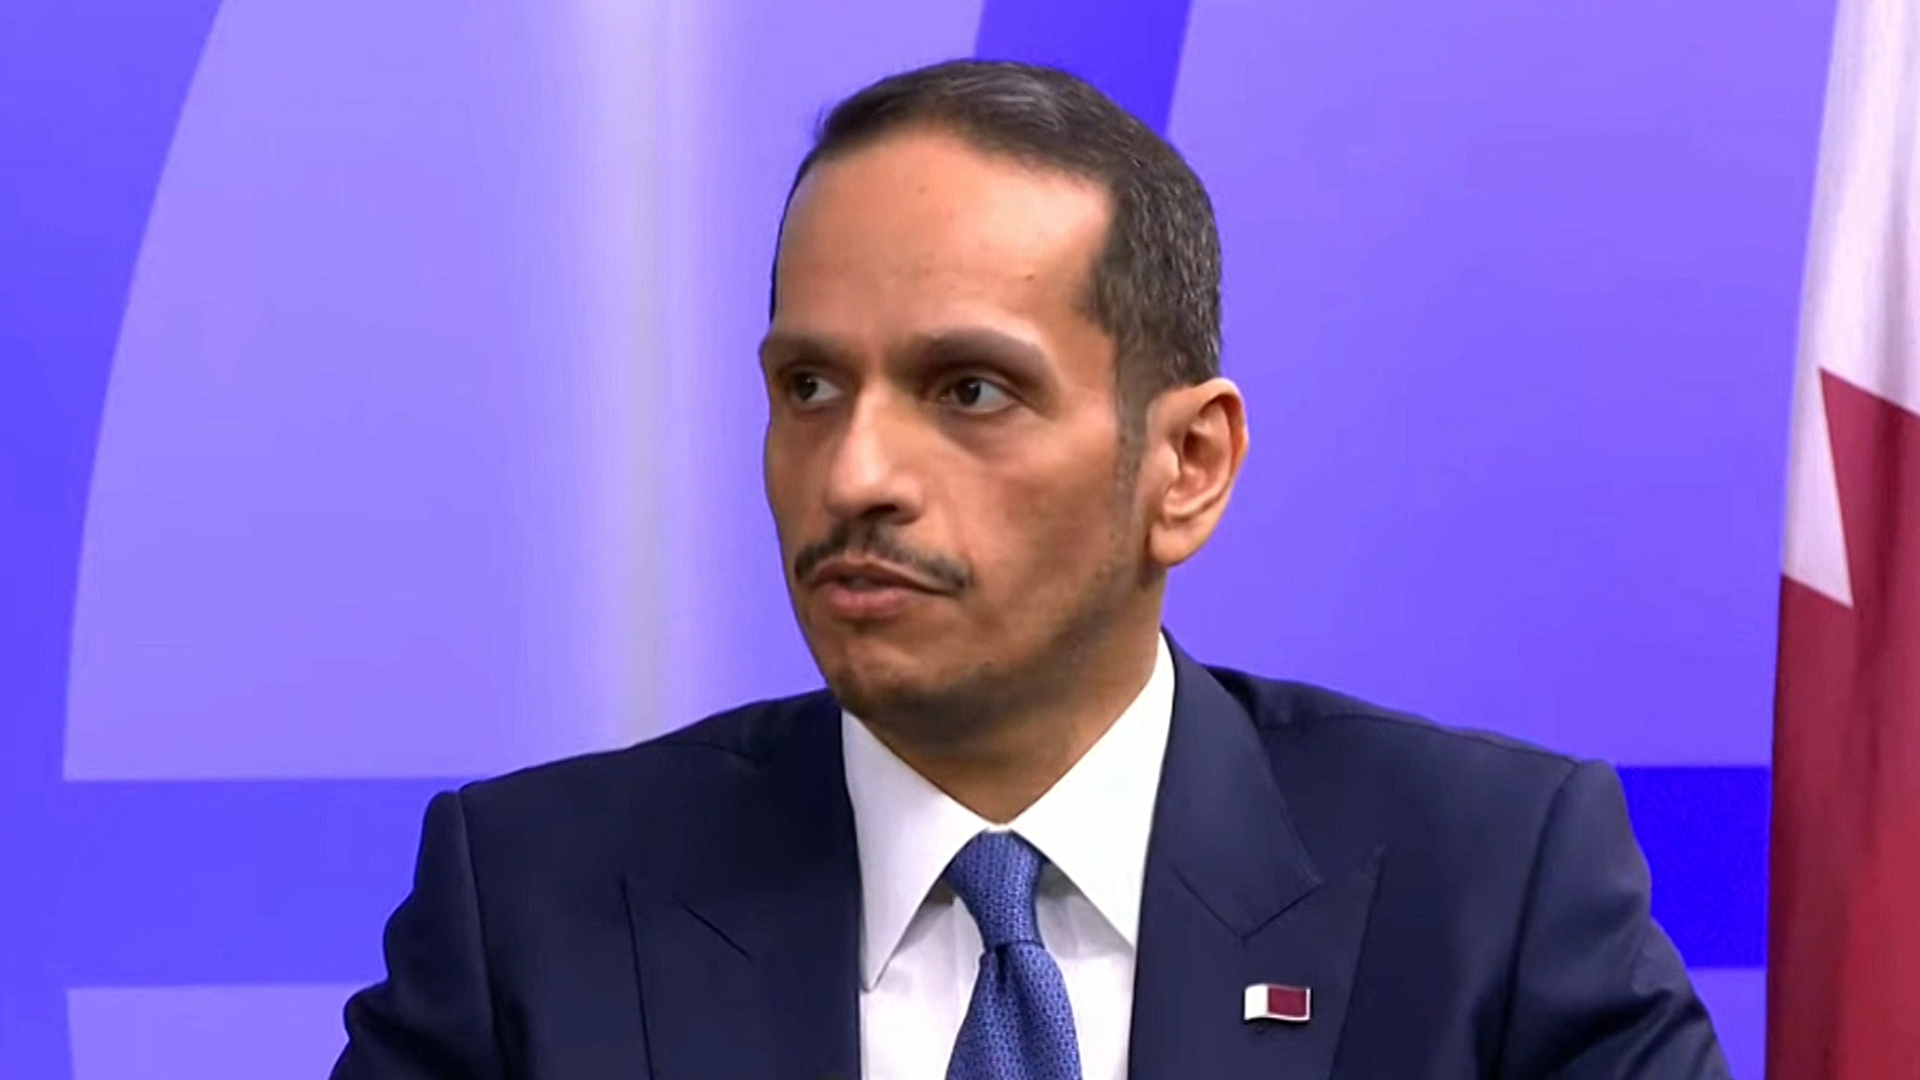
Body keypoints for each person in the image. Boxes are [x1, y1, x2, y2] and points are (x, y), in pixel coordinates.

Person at [332, 60, 1729, 1080]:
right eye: (810, 386)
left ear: (1186, 467)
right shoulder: (538, 905)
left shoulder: (1487, 886)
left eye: (971, 391)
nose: (856, 472)